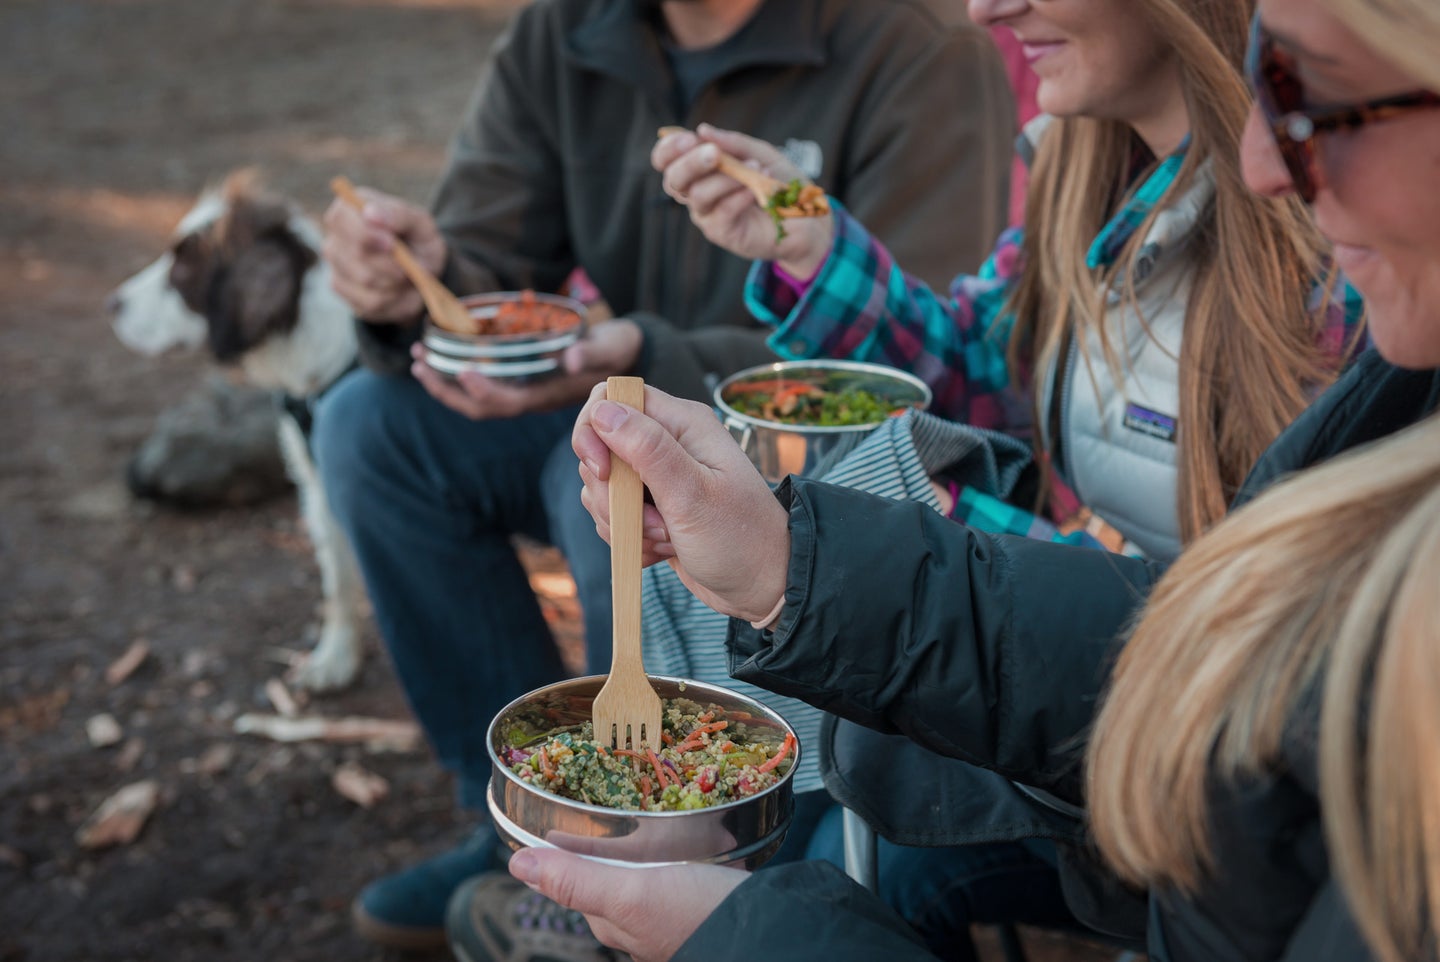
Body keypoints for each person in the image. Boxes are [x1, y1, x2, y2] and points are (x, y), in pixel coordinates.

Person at [526, 0, 1440, 957]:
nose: (985, 6)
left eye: (1303, 87)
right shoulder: (1079, 174)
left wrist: (922, 523)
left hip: (1161, 771)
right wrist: (809, 242)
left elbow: (1267, 649)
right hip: (1106, 708)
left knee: (851, 825)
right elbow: (981, 369)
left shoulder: (1348, 256)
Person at [312, 0, 1014, 949]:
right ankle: (522, 827)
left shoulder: (920, 51)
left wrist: (655, 352)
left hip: (813, 461)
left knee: (607, 487)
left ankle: (644, 876)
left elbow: (913, 348)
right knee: (367, 425)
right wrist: (422, 278)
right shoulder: (564, 32)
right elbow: (488, 261)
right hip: (604, 399)